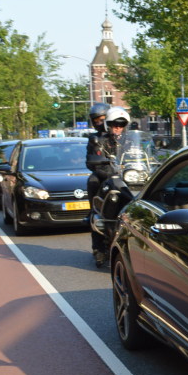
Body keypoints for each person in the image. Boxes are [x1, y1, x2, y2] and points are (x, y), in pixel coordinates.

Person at [86, 106, 130, 266]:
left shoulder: (130, 139)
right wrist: (108, 171)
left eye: (121, 125)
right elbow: (94, 162)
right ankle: (98, 247)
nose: (118, 128)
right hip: (107, 175)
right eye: (114, 124)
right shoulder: (98, 139)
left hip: (128, 177)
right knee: (93, 182)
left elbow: (142, 154)